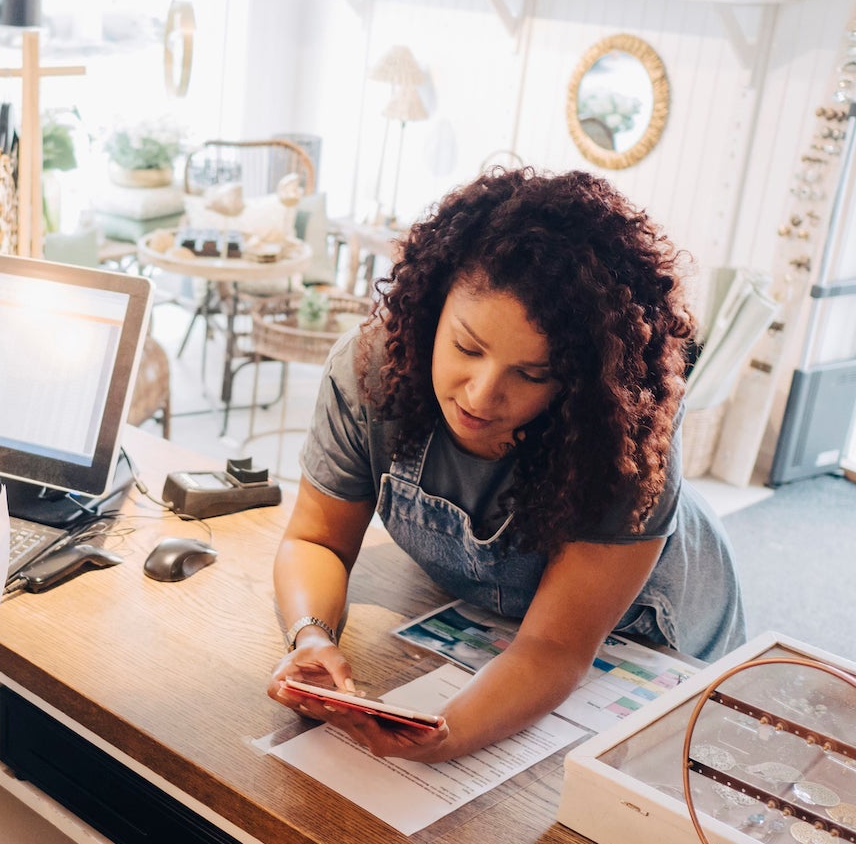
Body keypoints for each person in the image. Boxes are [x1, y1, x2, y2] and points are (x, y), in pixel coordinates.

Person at [268, 168, 744, 763]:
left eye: (532, 374)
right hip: (504, 625)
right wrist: (310, 634)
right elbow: (317, 540)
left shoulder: (621, 434)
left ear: (578, 380)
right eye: (467, 348)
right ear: (430, 309)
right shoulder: (371, 370)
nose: (481, 396)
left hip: (657, 637)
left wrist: (451, 732)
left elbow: (554, 648)